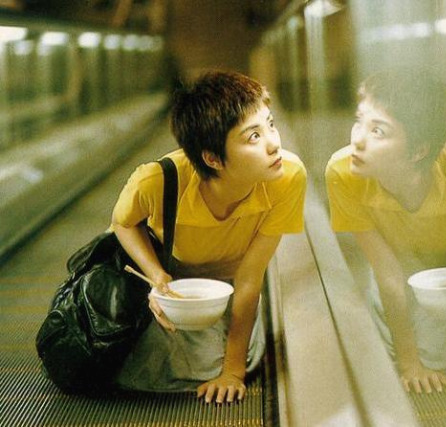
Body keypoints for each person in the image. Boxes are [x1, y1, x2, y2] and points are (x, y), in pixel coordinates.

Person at [111, 70, 306, 403]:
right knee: (132, 359)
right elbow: (122, 223)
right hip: (177, 279)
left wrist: (233, 371)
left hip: (228, 283)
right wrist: (157, 277)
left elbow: (250, 277)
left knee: (230, 358)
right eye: (253, 137)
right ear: (213, 158)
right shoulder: (156, 181)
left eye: (270, 125)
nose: (274, 143)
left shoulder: (287, 177)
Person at [325, 69, 446, 393]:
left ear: (418, 151)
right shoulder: (343, 172)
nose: (357, 139)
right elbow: (387, 273)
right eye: (360, 121)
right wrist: (409, 363)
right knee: (391, 349)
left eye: (378, 131)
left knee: (442, 356)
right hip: (393, 257)